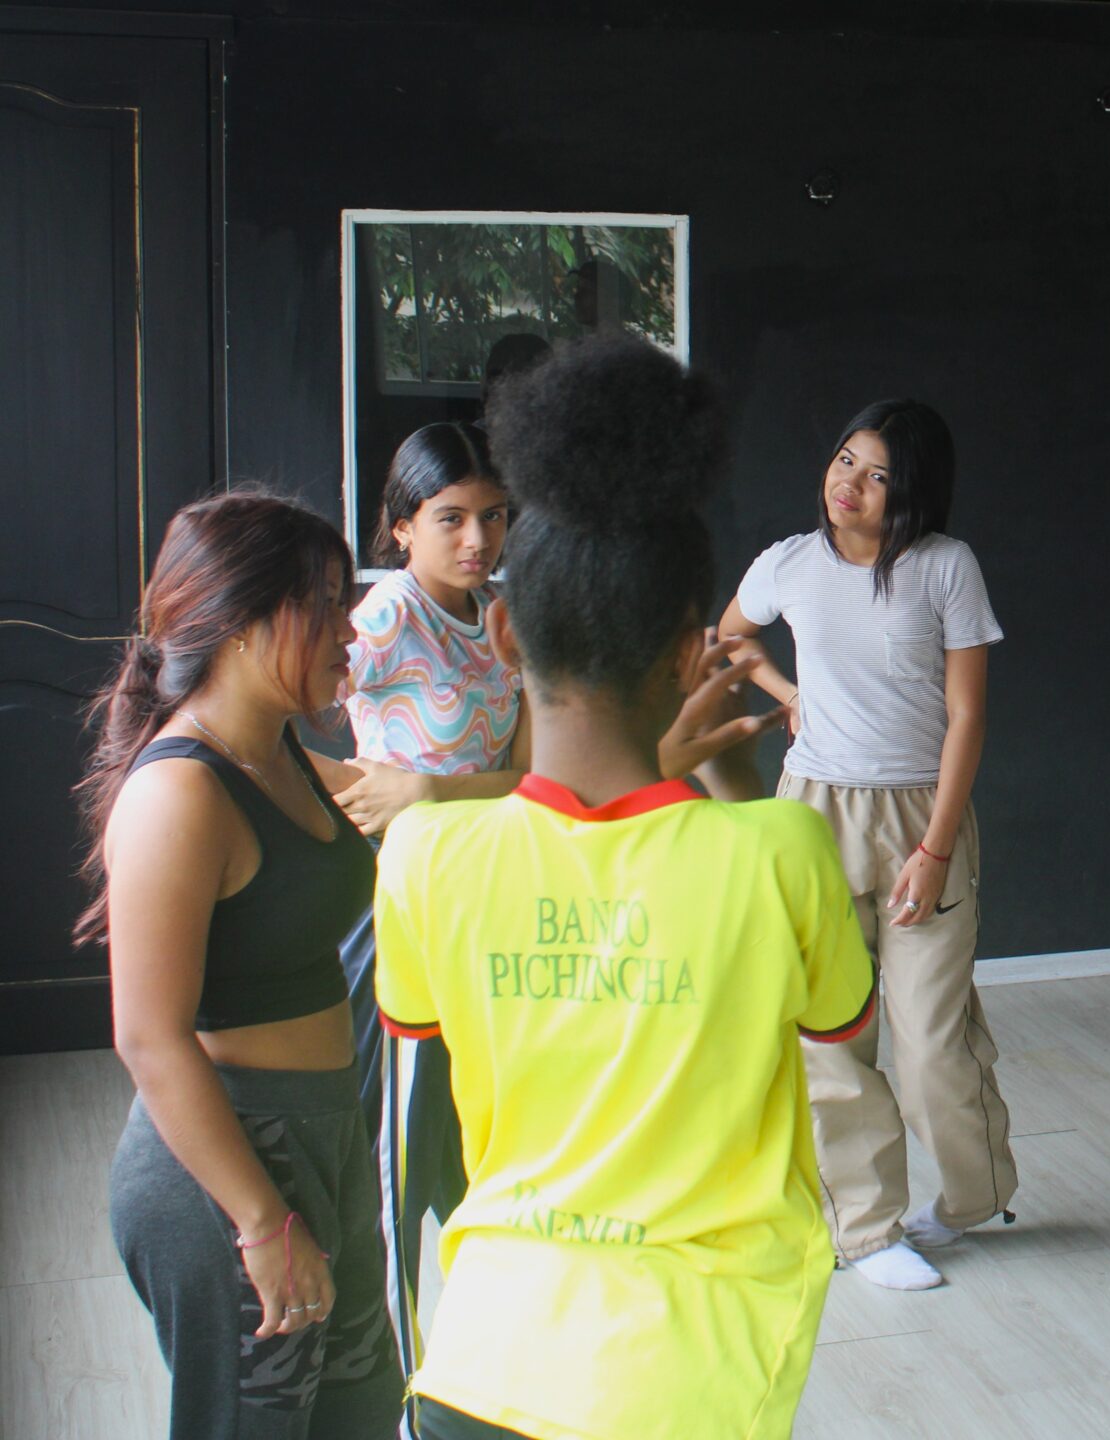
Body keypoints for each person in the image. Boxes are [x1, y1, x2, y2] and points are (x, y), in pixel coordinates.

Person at [371, 333, 869, 1440]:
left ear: (502, 631)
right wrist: (722, 766)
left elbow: (426, 1028)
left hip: (478, 1366)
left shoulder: (424, 858)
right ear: (695, 656)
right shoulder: (777, 850)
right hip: (684, 1384)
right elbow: (841, 1020)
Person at [81, 491, 401, 1438]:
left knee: (356, 1408)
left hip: (326, 1137)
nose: (353, 630)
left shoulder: (282, 756)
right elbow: (146, 1036)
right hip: (228, 1165)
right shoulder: (182, 789)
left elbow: (424, 799)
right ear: (242, 622)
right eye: (329, 603)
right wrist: (260, 1221)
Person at [720, 399, 1017, 1293]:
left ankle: (973, 1194)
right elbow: (726, 636)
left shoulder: (944, 568)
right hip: (812, 809)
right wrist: (786, 692)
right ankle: (867, 1227)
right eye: (844, 461)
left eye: (877, 473)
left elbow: (967, 715)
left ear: (912, 490)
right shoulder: (791, 564)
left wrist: (932, 850)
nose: (847, 484)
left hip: (922, 813)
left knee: (929, 1041)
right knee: (829, 1039)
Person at [305, 421, 528, 1393]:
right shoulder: (381, 616)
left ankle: (487, 1376)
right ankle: (398, 1393)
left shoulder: (501, 614)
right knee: (393, 1173)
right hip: (397, 912)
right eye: (450, 519)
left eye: (492, 516)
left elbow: (526, 776)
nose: (476, 538)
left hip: (490, 905)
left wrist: (429, 791)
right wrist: (360, 791)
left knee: (478, 1159)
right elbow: (252, 718)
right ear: (400, 527)